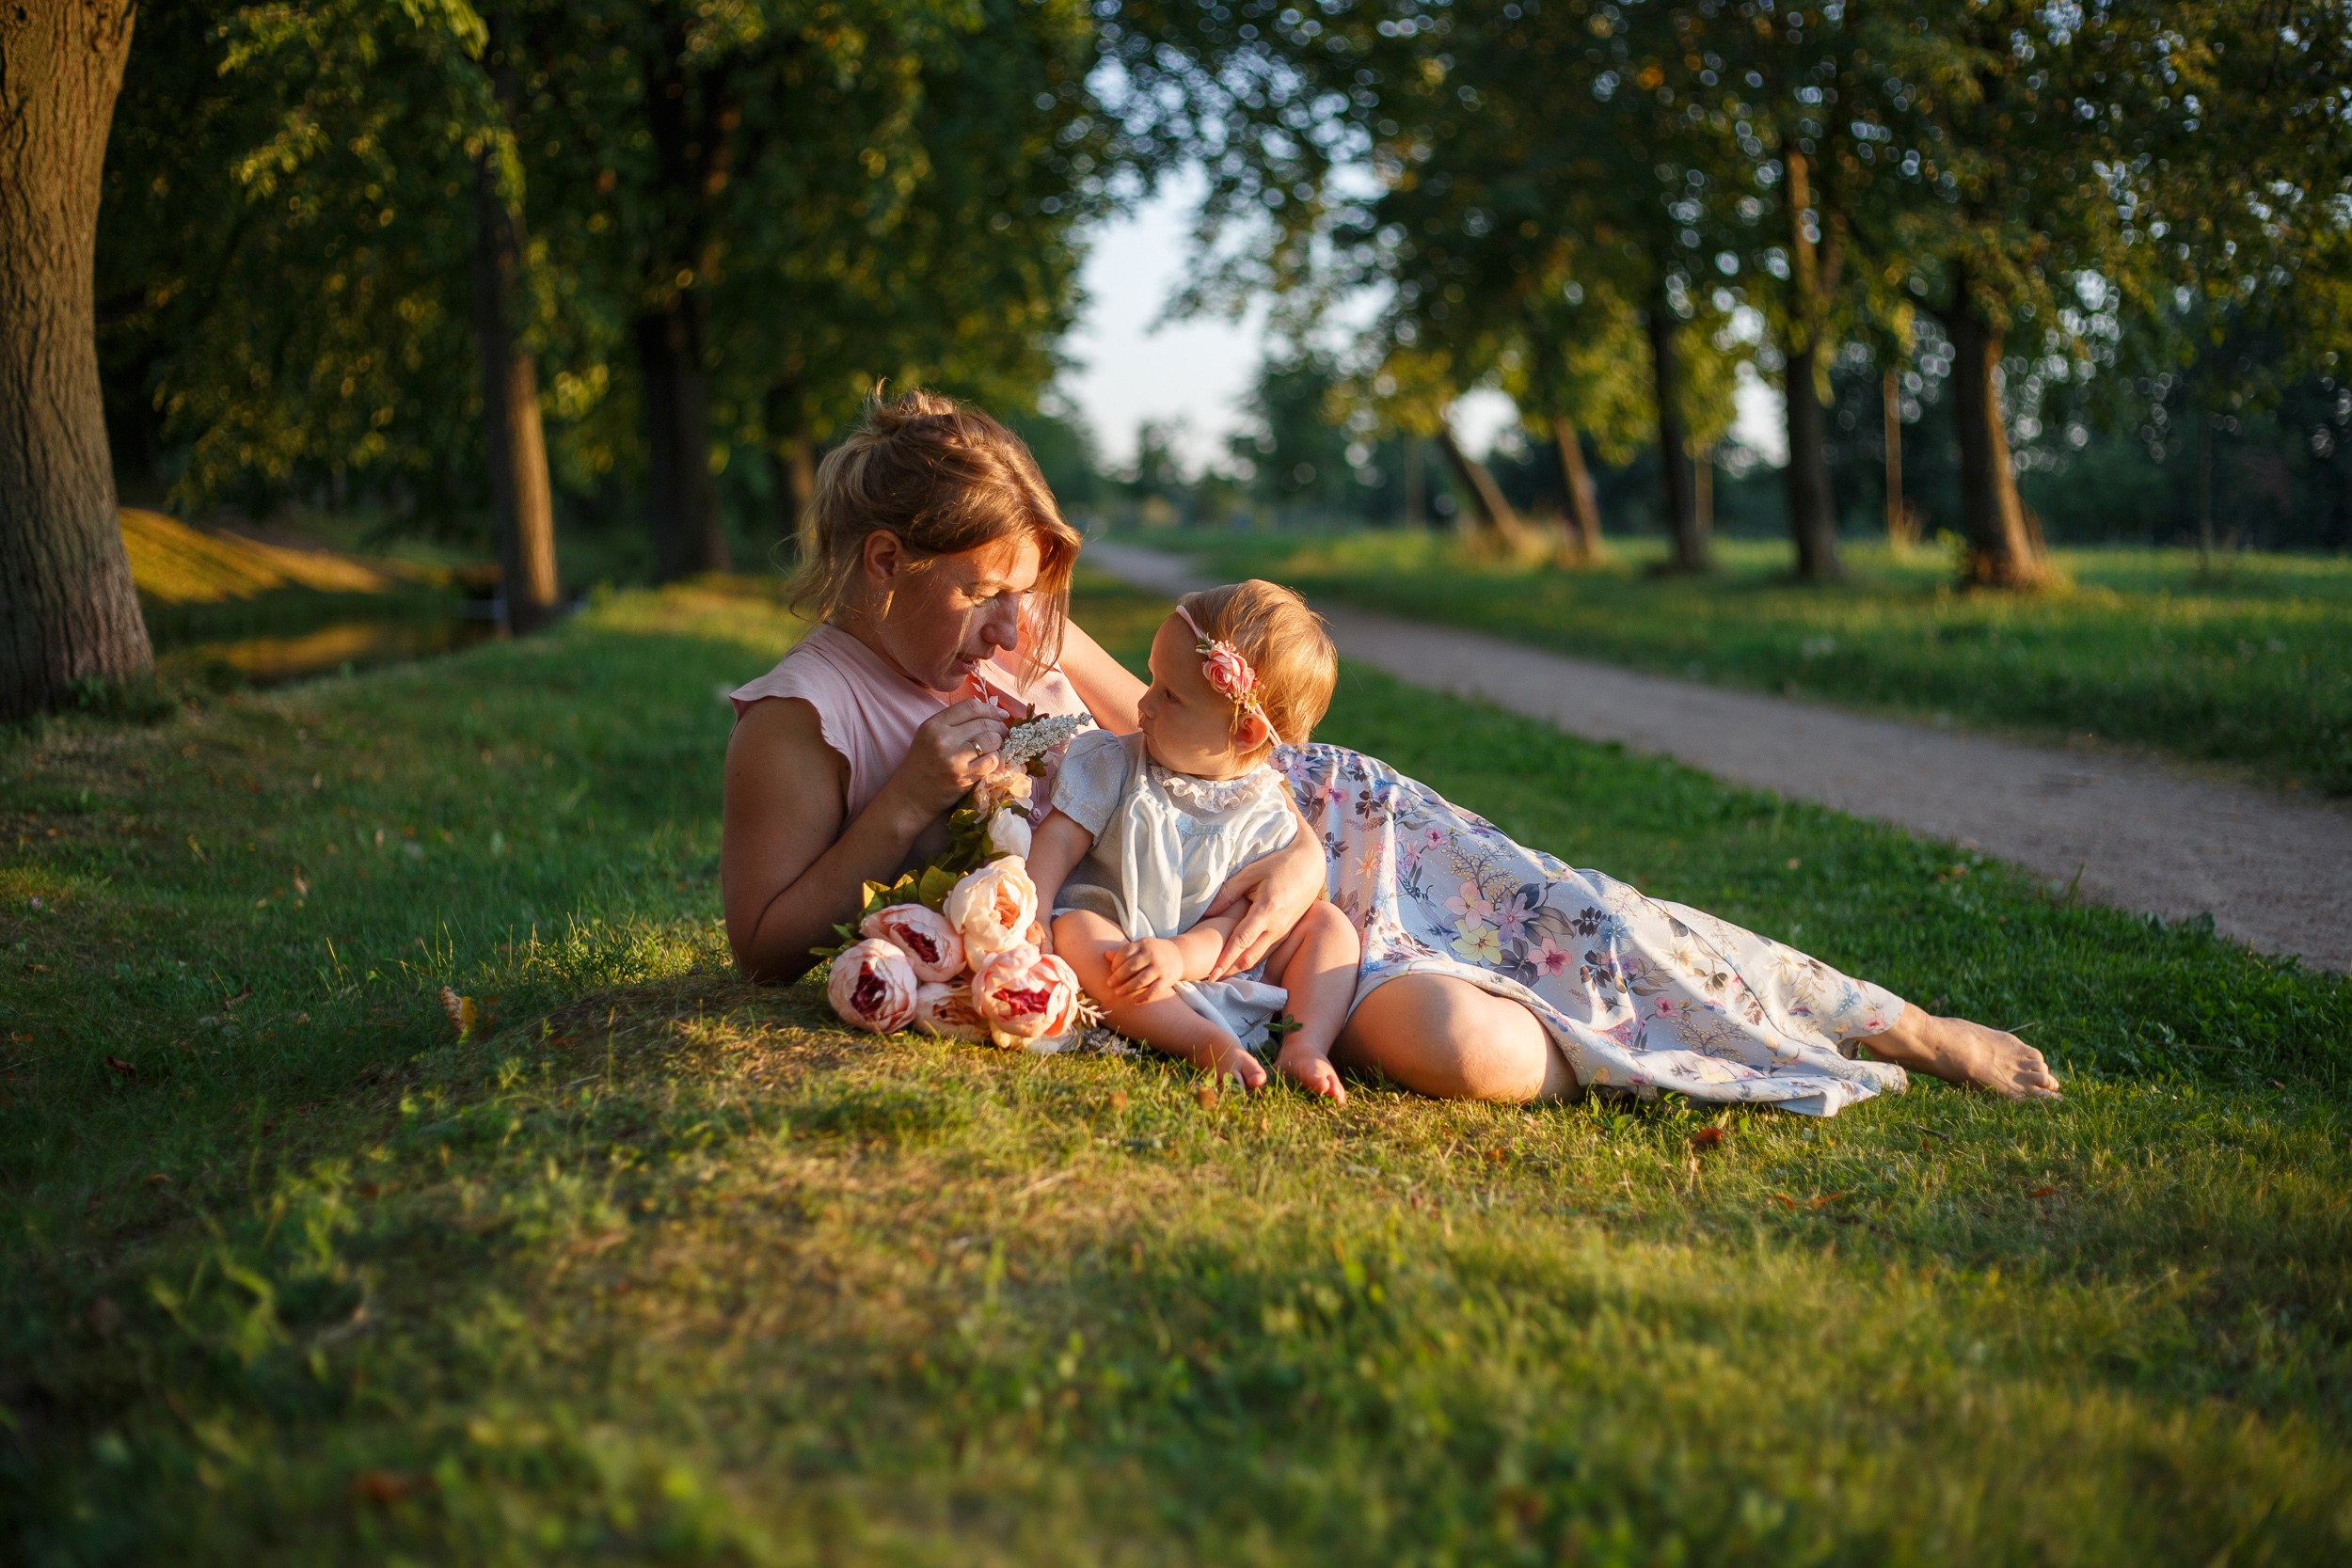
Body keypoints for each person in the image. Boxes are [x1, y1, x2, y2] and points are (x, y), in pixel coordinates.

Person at [723, 389, 2061, 1112]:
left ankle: (1884, 1018)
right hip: (1196, 940)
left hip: (1302, 827)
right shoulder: (804, 714)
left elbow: (1178, 730)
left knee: (1580, 916)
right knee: (1468, 1047)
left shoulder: (1024, 645)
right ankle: (1689, 1056)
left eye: (1029, 596)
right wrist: (908, 800)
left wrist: (1288, 851)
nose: (1018, 631)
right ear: (886, 563)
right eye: (984, 593)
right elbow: (764, 943)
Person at [1026, 581, 1362, 1099]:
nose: (1143, 704)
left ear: (1246, 732)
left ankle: (1306, 1044)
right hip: (1121, 946)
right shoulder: (1114, 762)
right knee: (1075, 930)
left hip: (1217, 961)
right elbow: (1059, 839)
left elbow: (1241, 924)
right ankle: (1200, 1040)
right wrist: (1033, 906)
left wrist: (1179, 957)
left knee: (1328, 926)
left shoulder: (1267, 815)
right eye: (1152, 679)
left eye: (1170, 695)